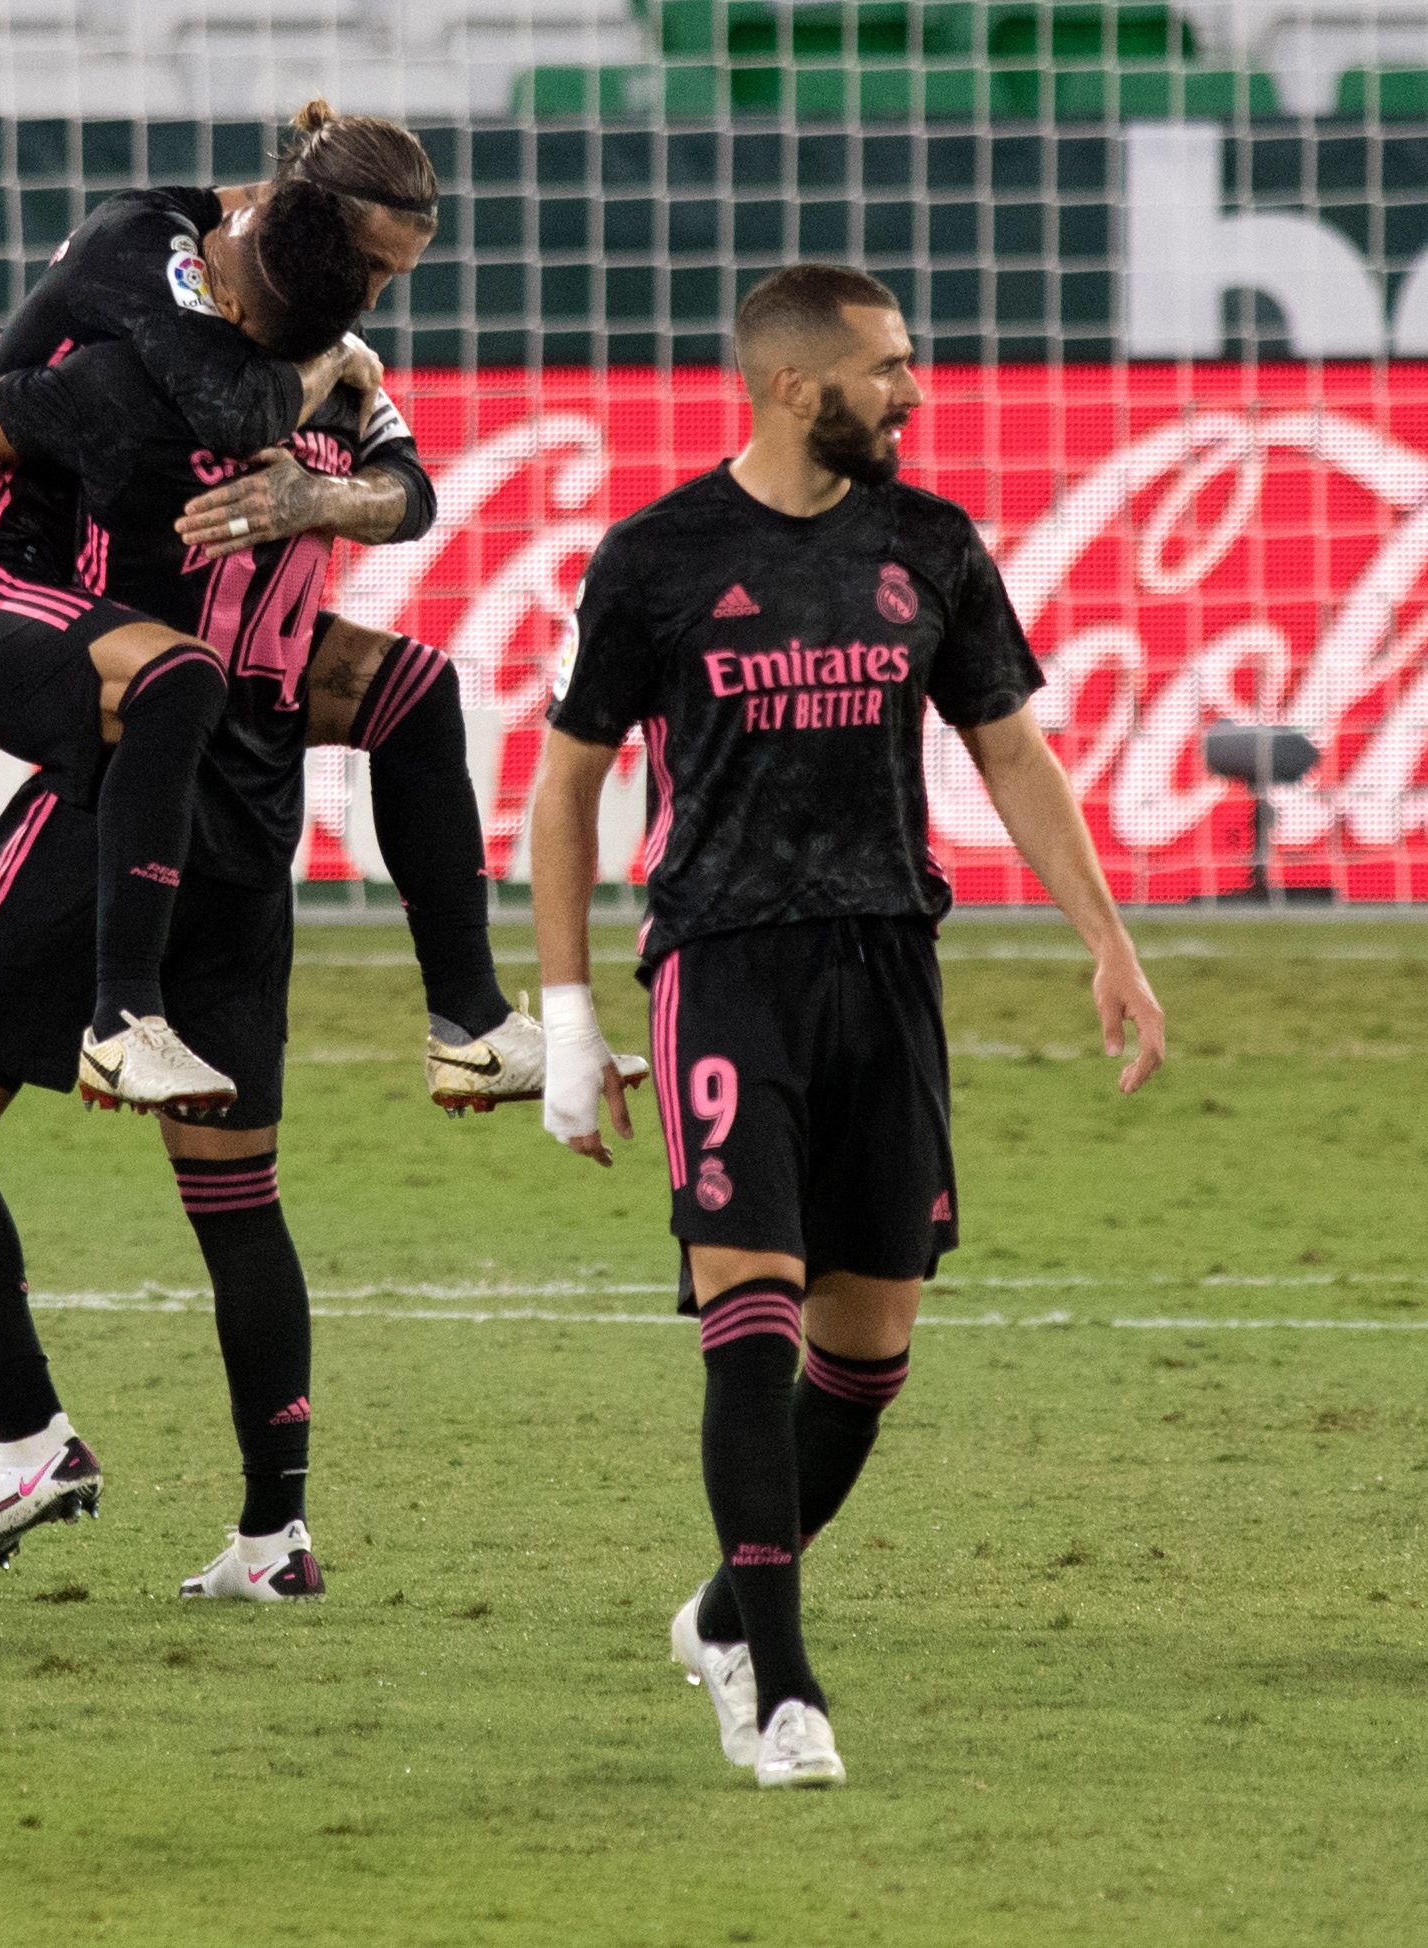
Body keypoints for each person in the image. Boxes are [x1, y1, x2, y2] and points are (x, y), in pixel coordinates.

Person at [527, 263, 1167, 1788]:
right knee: (747, 1315)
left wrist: (1107, 941)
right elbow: (566, 783)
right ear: (794, 386)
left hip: (886, 968)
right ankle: (782, 1689)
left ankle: (718, 1613)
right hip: (719, 966)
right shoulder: (657, 557)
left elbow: (1009, 751)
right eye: (886, 368)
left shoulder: (929, 546)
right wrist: (564, 1014)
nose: (911, 392)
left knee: (864, 1357)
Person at [0, 328, 432, 1596]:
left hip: (124, 792)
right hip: (256, 808)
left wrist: (16, 353)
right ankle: (275, 1537)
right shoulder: (335, 382)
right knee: (236, 1198)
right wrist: (333, 437)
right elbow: (409, 495)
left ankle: (33, 1440)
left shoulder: (115, 383)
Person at [0, 132, 396, 1111]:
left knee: (400, 690)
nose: (369, 296)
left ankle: (469, 1016)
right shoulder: (134, 366)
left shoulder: (203, 362)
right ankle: (121, 1016)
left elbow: (406, 493)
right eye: (368, 269)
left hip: (119, 643)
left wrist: (331, 471)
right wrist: (332, 361)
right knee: (177, 683)